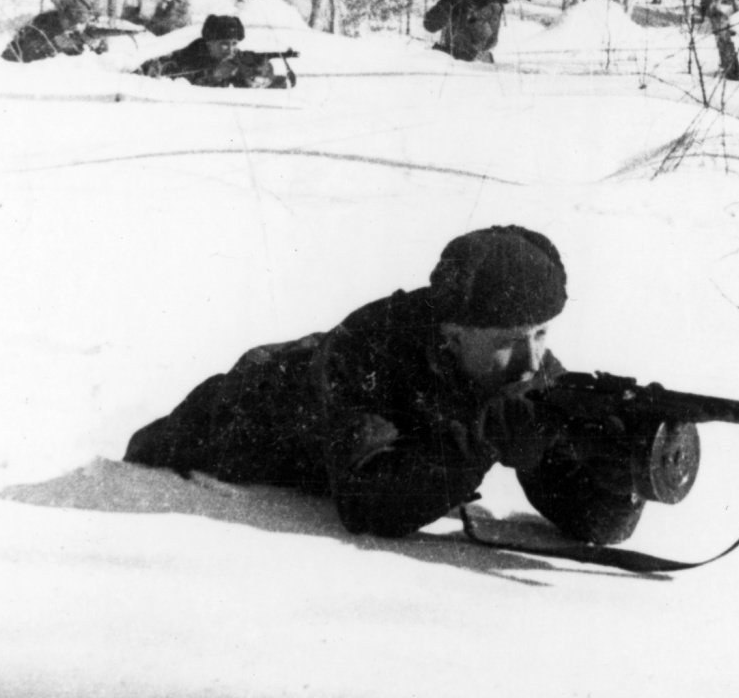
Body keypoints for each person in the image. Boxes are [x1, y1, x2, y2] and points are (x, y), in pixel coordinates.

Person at [124, 225, 645, 545]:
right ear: (453, 334)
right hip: (253, 413)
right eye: (510, 340)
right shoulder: (369, 349)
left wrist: (617, 468)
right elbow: (367, 506)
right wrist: (480, 440)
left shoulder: (525, 370)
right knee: (149, 451)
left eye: (541, 333)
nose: (532, 359)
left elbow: (595, 524)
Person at [137, 13, 285, 88]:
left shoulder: (237, 58)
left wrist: (263, 74)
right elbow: (181, 87)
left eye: (234, 43)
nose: (231, 49)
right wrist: (215, 76)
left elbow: (275, 81)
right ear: (209, 43)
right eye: (224, 44)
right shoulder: (188, 57)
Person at [423, 0, 505, 63]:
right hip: (448, 55)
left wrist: (473, 15)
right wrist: (447, 9)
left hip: (476, 60)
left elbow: (489, 41)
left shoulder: (490, 5)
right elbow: (429, 25)